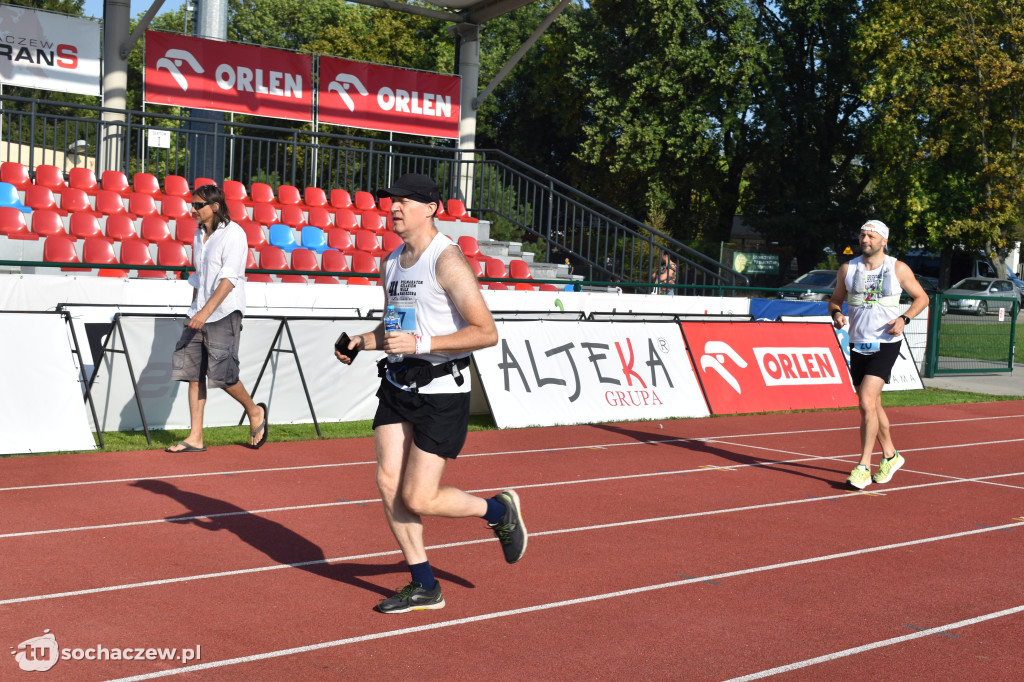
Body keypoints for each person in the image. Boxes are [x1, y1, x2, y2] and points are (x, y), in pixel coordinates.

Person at [335, 173, 526, 614]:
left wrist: (422, 345)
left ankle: (498, 512)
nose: (394, 208)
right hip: (398, 384)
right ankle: (425, 584)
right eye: (391, 201)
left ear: (431, 208)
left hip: (442, 391)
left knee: (419, 497)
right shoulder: (391, 262)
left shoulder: (447, 260)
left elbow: (486, 333)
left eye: (404, 201)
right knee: (387, 482)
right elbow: (398, 328)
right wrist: (361, 342)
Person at [167, 184, 268, 453]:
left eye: (198, 205)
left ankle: (254, 410)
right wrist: (194, 309)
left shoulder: (234, 234)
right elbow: (200, 277)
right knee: (193, 374)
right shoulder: (199, 235)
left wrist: (204, 312)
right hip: (199, 312)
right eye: (192, 204)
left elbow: (229, 279)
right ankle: (195, 437)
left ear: (214, 206)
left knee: (223, 376)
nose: (193, 210)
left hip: (224, 312)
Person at [828, 220, 929, 489]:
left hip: (886, 342)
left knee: (865, 402)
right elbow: (835, 300)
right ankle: (891, 456)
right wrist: (837, 313)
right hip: (858, 342)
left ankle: (862, 466)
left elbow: (922, 298)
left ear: (884, 240)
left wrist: (904, 319)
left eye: (871, 236)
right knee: (873, 405)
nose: (865, 239)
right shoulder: (848, 268)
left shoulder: (897, 267)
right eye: (862, 234)